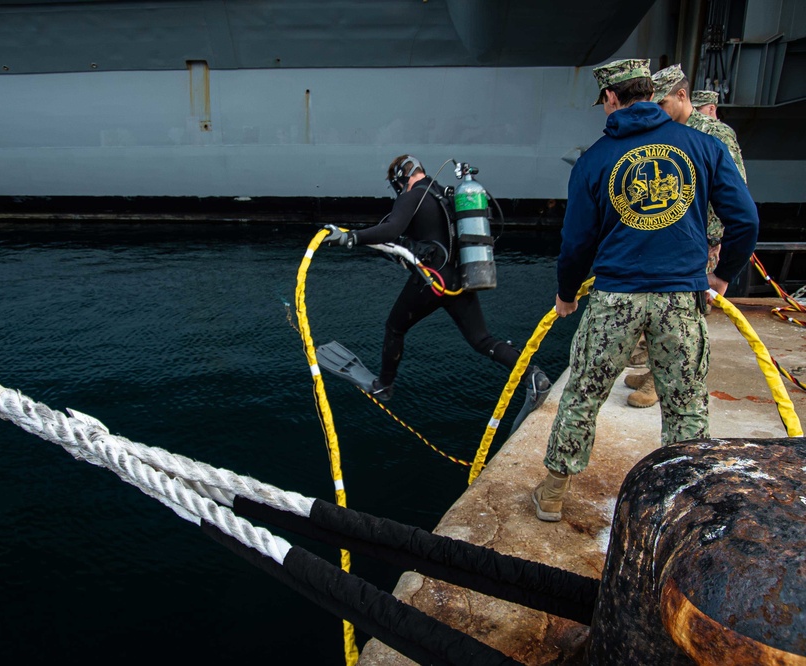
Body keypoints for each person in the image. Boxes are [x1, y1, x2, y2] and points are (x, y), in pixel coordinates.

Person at [532, 58, 758, 522]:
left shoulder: (594, 159)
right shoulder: (703, 146)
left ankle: (553, 492)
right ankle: (685, 502)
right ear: (651, 94)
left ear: (611, 98)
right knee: (685, 404)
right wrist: (721, 275)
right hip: (681, 298)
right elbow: (746, 220)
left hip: (615, 298)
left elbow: (576, 243)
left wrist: (566, 293)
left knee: (584, 394)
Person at [324, 155, 550, 407]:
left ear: (401, 179)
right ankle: (534, 376)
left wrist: (351, 237)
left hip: (432, 280)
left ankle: (384, 385)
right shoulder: (445, 194)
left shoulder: (412, 196)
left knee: (395, 327)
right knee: (482, 340)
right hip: (460, 277)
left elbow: (392, 229)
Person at [623, 64, 750, 408]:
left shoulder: (713, 134)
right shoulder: (666, 132)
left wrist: (718, 243)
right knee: (658, 306)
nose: (657, 111)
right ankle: (652, 369)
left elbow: (735, 191)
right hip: (669, 237)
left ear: (682, 95)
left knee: (685, 315)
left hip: (702, 239)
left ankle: (660, 382)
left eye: (662, 103)